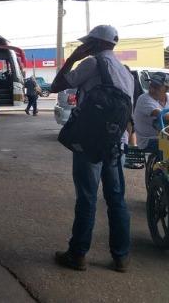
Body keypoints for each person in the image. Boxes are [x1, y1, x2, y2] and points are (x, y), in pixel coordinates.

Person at [50, 25, 133, 273]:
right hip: (116, 144)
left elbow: (56, 86)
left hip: (89, 143)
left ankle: (78, 254)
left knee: (87, 198)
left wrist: (73, 59)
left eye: (88, 44)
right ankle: (121, 257)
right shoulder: (125, 72)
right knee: (116, 199)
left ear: (95, 44)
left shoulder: (92, 63)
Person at [133, 72, 169, 153]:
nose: (152, 90)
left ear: (166, 88)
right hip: (148, 140)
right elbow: (162, 115)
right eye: (151, 85)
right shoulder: (144, 99)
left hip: (164, 136)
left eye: (156, 87)